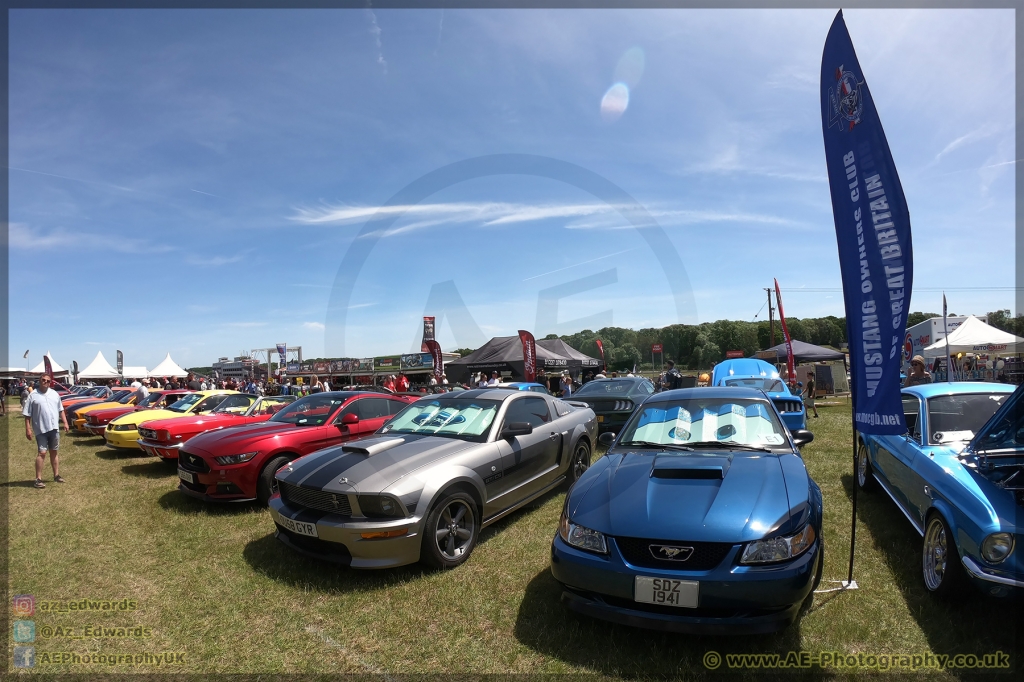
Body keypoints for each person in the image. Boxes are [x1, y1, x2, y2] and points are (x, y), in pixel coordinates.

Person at [23, 375, 69, 488]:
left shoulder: (54, 394)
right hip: (40, 429)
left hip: (54, 428)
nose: (46, 382)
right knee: (42, 453)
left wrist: (65, 422)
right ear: (40, 381)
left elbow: (61, 410)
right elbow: (27, 414)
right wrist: (28, 429)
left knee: (54, 451)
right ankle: (38, 479)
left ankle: (56, 475)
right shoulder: (33, 395)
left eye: (48, 381)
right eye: (43, 380)